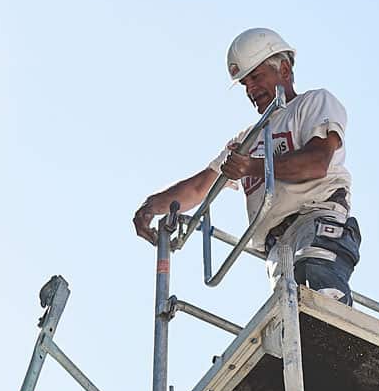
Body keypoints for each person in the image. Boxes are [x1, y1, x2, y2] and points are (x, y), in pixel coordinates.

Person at [131, 27, 361, 303]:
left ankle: (338, 338)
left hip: (315, 220)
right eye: (244, 84)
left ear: (284, 70)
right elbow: (199, 187)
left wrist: (251, 167)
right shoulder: (247, 139)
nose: (251, 89)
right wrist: (151, 206)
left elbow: (315, 163)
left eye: (256, 76)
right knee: (289, 320)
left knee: (317, 282)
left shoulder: (312, 104)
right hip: (277, 246)